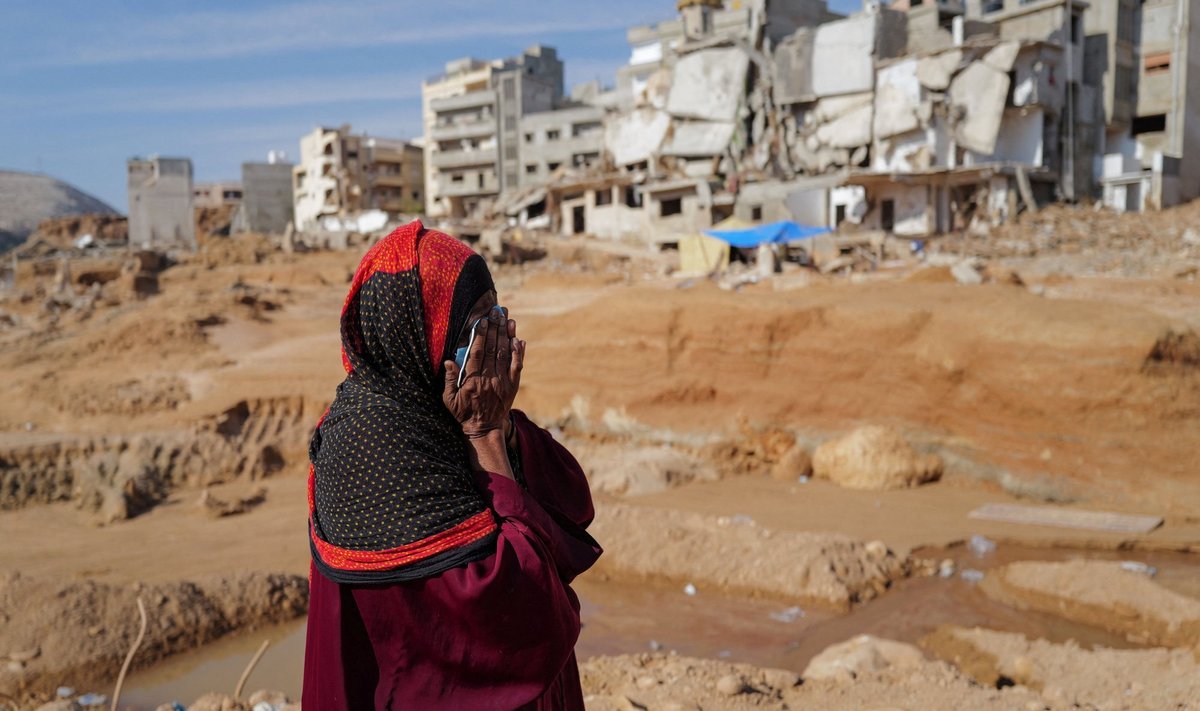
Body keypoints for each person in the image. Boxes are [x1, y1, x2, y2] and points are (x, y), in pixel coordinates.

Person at [302, 221, 601, 710]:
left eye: (498, 314)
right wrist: (484, 439)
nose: (496, 338)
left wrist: (496, 428)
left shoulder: (445, 411)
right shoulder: (369, 451)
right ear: (421, 335)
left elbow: (571, 503)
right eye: (478, 324)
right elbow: (528, 618)